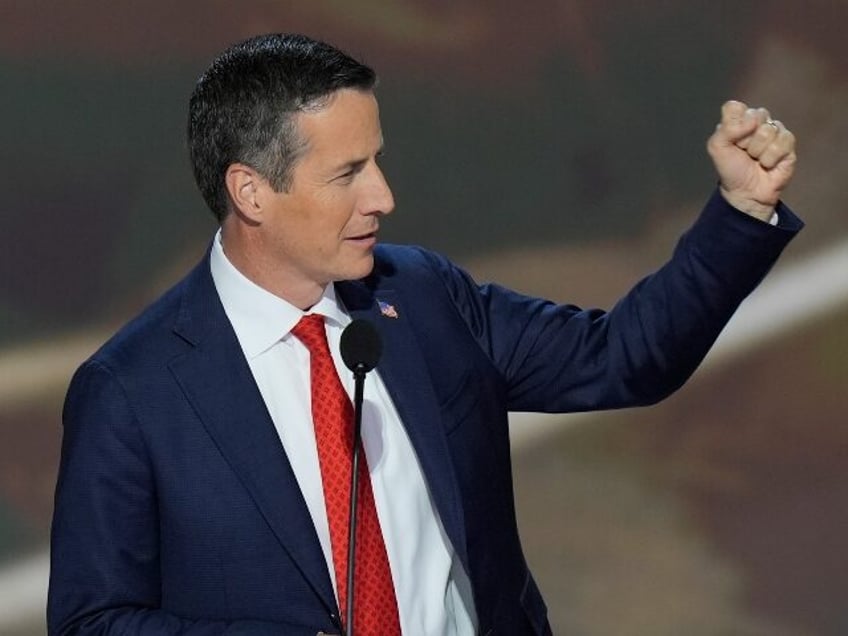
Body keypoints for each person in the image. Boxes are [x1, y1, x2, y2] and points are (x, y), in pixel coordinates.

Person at [47, 33, 801, 635]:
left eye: (378, 161)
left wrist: (739, 213)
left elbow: (622, 359)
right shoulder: (132, 390)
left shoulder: (424, 296)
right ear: (251, 191)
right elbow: (92, 620)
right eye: (348, 173)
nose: (384, 195)